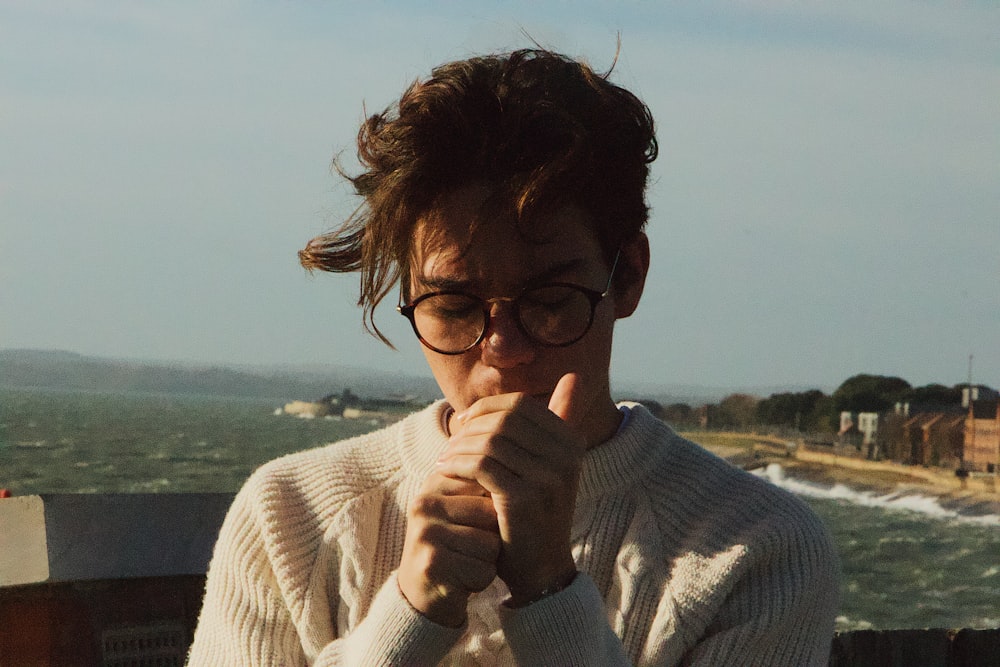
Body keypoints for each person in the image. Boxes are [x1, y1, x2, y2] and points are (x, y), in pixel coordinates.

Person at [187, 48, 839, 666]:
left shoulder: (762, 545)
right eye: (454, 306)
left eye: (550, 299)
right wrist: (409, 612)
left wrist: (551, 590)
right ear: (410, 299)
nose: (502, 350)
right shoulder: (287, 513)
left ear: (628, 277)